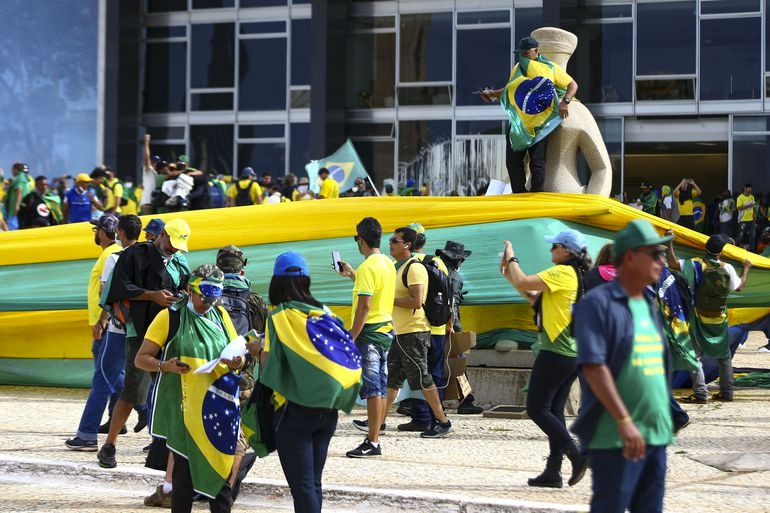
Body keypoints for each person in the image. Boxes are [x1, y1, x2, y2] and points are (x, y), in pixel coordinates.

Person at [572, 219, 675, 513]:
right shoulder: (597, 304)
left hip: (655, 434)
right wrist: (624, 420)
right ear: (630, 257)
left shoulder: (648, 304)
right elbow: (594, 367)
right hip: (616, 436)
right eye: (654, 254)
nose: (661, 261)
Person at [135, 264, 243, 513]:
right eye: (203, 298)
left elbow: (237, 352)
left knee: (220, 475)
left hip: (216, 405)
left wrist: (238, 361)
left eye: (212, 300)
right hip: (183, 408)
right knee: (183, 478)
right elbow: (141, 359)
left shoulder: (220, 315)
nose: (207, 304)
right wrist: (165, 366)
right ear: (189, 290)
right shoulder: (169, 318)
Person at [260, 251, 362, 513]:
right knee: (313, 483)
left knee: (302, 487)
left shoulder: (278, 316)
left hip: (293, 411)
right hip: (328, 410)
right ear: (306, 280)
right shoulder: (324, 313)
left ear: (276, 282)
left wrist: (255, 349)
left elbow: (267, 365)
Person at [97, 218, 192, 468]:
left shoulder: (179, 261)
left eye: (178, 246)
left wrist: (183, 295)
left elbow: (187, 287)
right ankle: (109, 445)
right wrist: (152, 296)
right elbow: (118, 288)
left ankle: (165, 446)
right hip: (141, 330)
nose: (174, 249)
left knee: (172, 390)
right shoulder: (135, 255)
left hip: (170, 330)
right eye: (171, 243)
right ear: (162, 234)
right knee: (133, 389)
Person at [500, 229, 590, 488]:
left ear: (567, 251)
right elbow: (532, 297)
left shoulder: (562, 272)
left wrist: (512, 256)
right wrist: (508, 273)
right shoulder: (574, 274)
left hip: (556, 351)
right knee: (553, 411)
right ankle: (553, 471)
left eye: (554, 246)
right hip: (571, 353)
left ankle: (576, 454)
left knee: (537, 409)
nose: (551, 250)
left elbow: (524, 281)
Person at [65, 214, 142, 451]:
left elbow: (106, 295)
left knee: (103, 378)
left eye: (96, 229)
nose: (95, 233)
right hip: (129, 326)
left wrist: (101, 321)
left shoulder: (113, 256)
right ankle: (123, 418)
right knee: (117, 374)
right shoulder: (138, 254)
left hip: (113, 326)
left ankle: (87, 434)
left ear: (112, 232)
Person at [480, 36, 578, 193]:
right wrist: (491, 93)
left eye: (526, 53)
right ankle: (519, 194)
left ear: (536, 51)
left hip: (540, 122)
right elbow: (511, 88)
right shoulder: (517, 69)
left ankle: (535, 197)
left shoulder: (550, 68)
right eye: (520, 53)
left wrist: (565, 102)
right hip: (519, 123)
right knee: (512, 162)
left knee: (537, 162)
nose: (523, 57)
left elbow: (573, 85)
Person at [381, 227, 454, 438]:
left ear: (407, 245)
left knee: (423, 378)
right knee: (392, 379)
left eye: (395, 240)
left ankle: (443, 422)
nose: (390, 243)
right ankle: (379, 421)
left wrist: (388, 299)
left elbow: (416, 301)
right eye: (390, 239)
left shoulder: (414, 268)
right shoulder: (397, 267)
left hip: (414, 332)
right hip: (401, 332)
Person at [667, 233, 751, 403]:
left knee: (695, 356)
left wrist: (670, 242)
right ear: (721, 252)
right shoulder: (727, 268)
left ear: (705, 248)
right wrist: (746, 268)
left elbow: (673, 263)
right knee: (724, 355)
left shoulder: (695, 264)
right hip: (719, 317)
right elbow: (739, 287)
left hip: (698, 316)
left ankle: (700, 393)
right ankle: (727, 392)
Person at [337, 217, 396, 458]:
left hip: (369, 333)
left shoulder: (367, 267)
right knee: (380, 387)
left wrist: (352, 334)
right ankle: (374, 437)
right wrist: (352, 274)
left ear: (361, 239)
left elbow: (364, 306)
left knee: (373, 390)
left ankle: (372, 441)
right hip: (385, 330)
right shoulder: (388, 263)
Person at [436, 240, 483, 415]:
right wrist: (453, 326)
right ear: (458, 260)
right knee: (458, 363)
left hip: (432, 324)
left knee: (433, 364)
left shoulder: (435, 271)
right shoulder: (455, 277)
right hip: (449, 326)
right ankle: (466, 401)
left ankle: (413, 402)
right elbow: (452, 304)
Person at [3, 162, 33, 230]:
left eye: (12, 170)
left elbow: (19, 190)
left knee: (13, 229)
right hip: (23, 208)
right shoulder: (25, 178)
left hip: (14, 210)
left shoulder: (19, 178)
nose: (12, 172)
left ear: (16, 169)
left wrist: (17, 205)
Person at [736, 183, 756, 251]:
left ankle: (752, 250)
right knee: (740, 235)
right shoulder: (740, 197)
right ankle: (736, 249)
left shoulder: (752, 197)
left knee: (752, 236)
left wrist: (754, 215)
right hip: (743, 220)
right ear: (745, 188)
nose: (750, 190)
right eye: (749, 188)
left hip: (751, 220)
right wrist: (749, 205)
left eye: (751, 189)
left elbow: (754, 207)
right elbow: (739, 208)